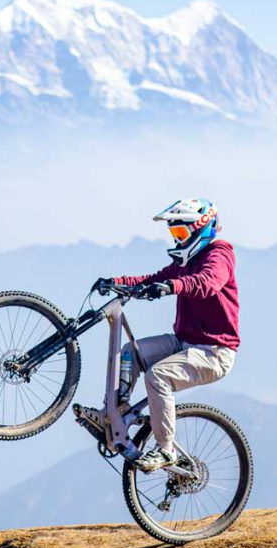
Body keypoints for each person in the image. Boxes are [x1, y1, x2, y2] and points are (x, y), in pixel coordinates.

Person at [79, 198, 239, 472]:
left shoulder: (219, 254)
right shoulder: (185, 261)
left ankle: (166, 450)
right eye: (174, 233)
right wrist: (117, 283)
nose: (177, 239)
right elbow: (152, 279)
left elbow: (207, 283)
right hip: (183, 342)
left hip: (214, 351)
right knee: (130, 352)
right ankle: (115, 413)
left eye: (181, 233)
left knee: (158, 376)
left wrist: (171, 287)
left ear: (202, 228)